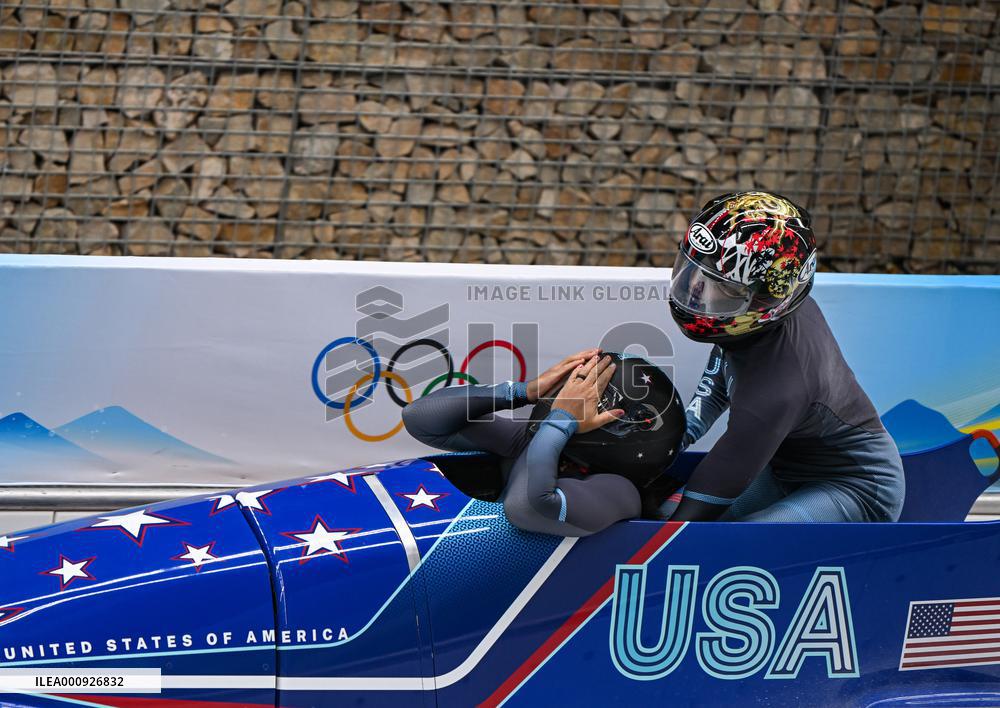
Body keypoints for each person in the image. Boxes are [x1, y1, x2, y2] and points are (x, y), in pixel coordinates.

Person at [668, 190, 905, 523]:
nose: (697, 292)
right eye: (698, 272)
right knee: (664, 511)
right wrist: (672, 437)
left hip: (855, 487)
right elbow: (718, 384)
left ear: (765, 303)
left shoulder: (778, 388)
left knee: (738, 540)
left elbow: (694, 511)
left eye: (725, 289)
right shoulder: (759, 321)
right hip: (783, 468)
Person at [401, 351, 685, 536]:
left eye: (585, 398)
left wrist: (562, 420)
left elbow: (526, 507)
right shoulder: (542, 439)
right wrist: (523, 391)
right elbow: (419, 419)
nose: (561, 398)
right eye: (575, 384)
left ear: (619, 429)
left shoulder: (621, 492)